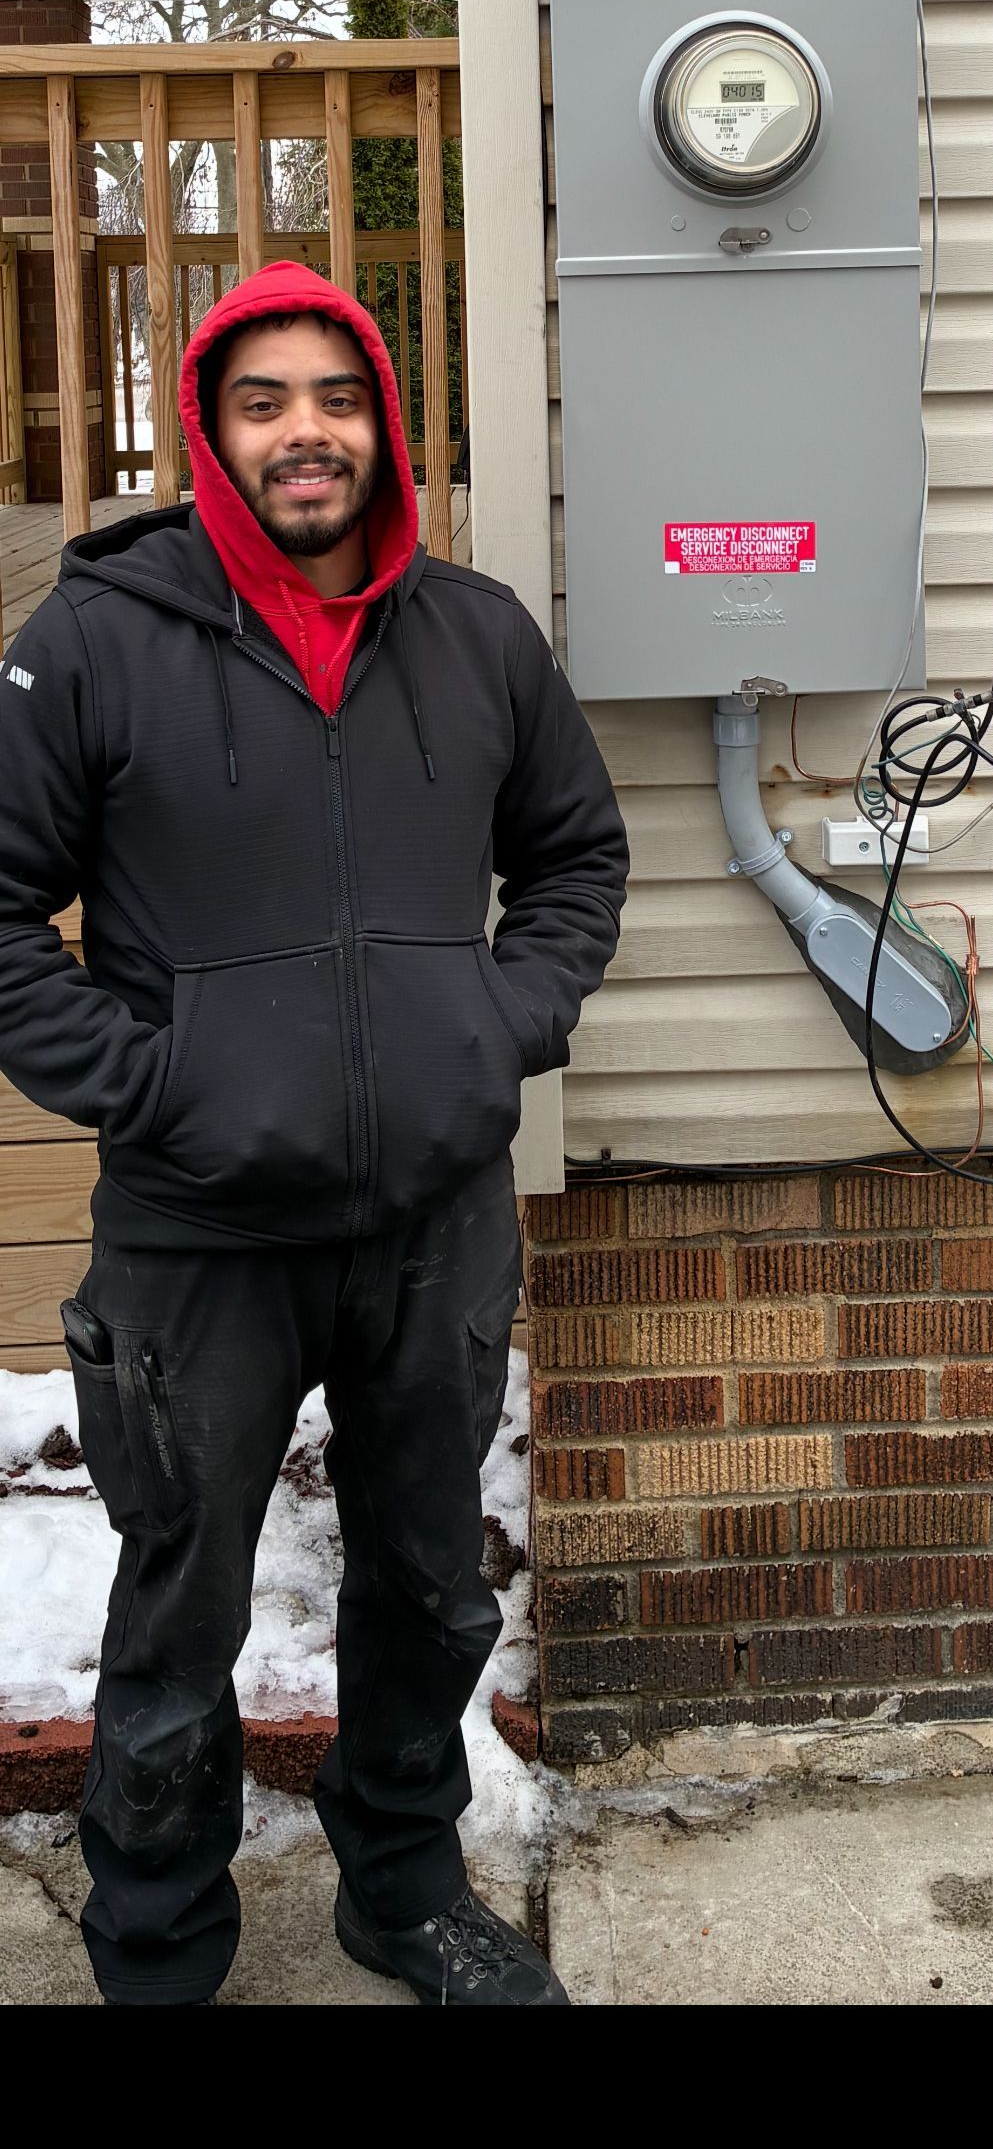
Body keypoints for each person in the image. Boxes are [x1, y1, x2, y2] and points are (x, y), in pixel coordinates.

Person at [0, 260, 628, 2007]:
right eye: (263, 400)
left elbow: (576, 860)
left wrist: (497, 1029)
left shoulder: (479, 635)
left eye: (337, 399)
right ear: (210, 433)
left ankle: (403, 1888)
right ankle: (156, 1944)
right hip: (198, 1236)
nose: (306, 432)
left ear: (384, 429)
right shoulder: (92, 645)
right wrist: (155, 1086)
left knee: (429, 1589)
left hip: (435, 1216)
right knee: (182, 1606)